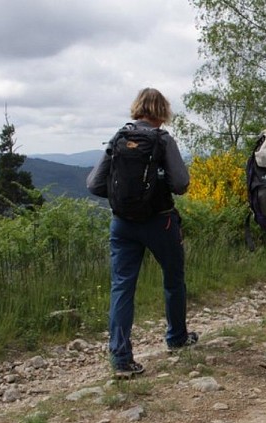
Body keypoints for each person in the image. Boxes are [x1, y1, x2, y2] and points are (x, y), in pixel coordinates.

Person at [86, 88, 197, 379]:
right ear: (162, 111)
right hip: (161, 222)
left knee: (122, 286)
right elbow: (181, 184)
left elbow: (94, 184)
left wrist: (124, 197)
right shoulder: (162, 139)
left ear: (137, 108)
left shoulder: (119, 137)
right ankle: (176, 337)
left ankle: (121, 358)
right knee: (173, 280)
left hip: (122, 224)